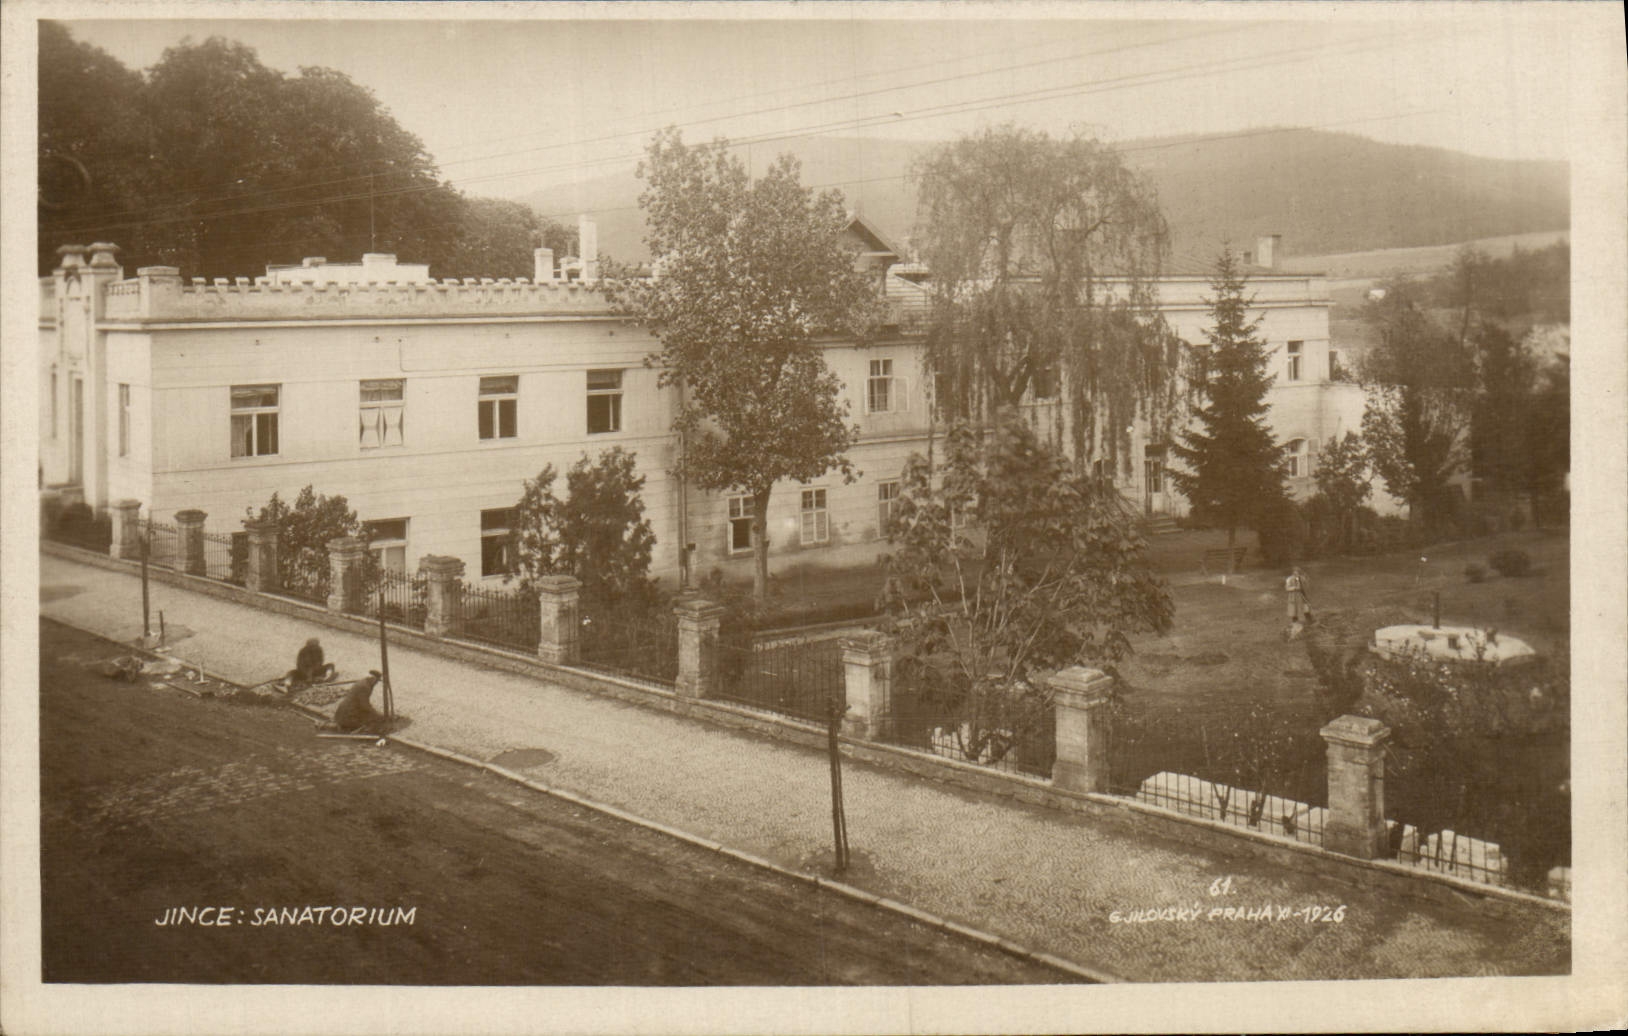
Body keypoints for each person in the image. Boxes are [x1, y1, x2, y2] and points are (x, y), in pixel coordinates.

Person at [333, 670, 388, 735]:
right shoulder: (364, 687)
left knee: (371, 716)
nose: (376, 683)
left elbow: (364, 703)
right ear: (373, 679)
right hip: (348, 714)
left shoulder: (364, 682)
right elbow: (364, 705)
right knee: (371, 721)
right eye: (376, 681)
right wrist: (376, 714)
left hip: (346, 710)